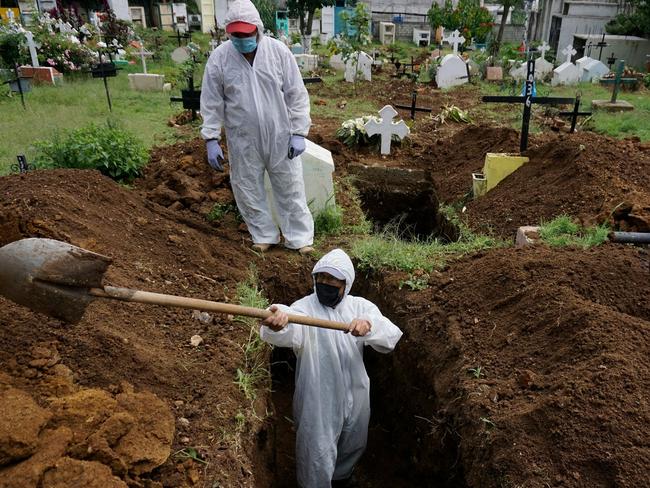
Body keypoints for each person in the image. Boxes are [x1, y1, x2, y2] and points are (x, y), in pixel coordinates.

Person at [260, 249, 403, 487]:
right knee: (316, 450)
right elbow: (288, 324)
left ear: (346, 283)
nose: (325, 283)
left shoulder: (359, 307)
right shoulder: (303, 309)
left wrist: (368, 325)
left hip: (355, 390)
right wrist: (278, 324)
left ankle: (341, 479)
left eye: (333, 279)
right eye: (321, 277)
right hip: (319, 395)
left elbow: (389, 337)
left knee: (354, 441)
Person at [200, 0, 314, 255]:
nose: (242, 39)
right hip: (243, 138)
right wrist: (211, 138)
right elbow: (211, 101)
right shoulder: (220, 59)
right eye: (236, 35)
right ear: (229, 33)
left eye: (247, 34)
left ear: (258, 30)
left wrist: (298, 132)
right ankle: (264, 235)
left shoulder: (278, 53)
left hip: (280, 136)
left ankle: (299, 238)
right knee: (247, 187)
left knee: (290, 186)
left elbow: (296, 94)